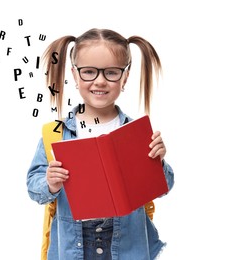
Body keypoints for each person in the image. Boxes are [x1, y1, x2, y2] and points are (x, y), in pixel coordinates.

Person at [27, 28, 174, 260]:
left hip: (127, 244)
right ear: (75, 75)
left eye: (111, 73)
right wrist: (50, 183)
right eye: (89, 72)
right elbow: (33, 187)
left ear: (125, 76)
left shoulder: (136, 133)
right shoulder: (55, 132)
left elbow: (165, 186)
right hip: (73, 244)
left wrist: (158, 162)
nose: (100, 81)